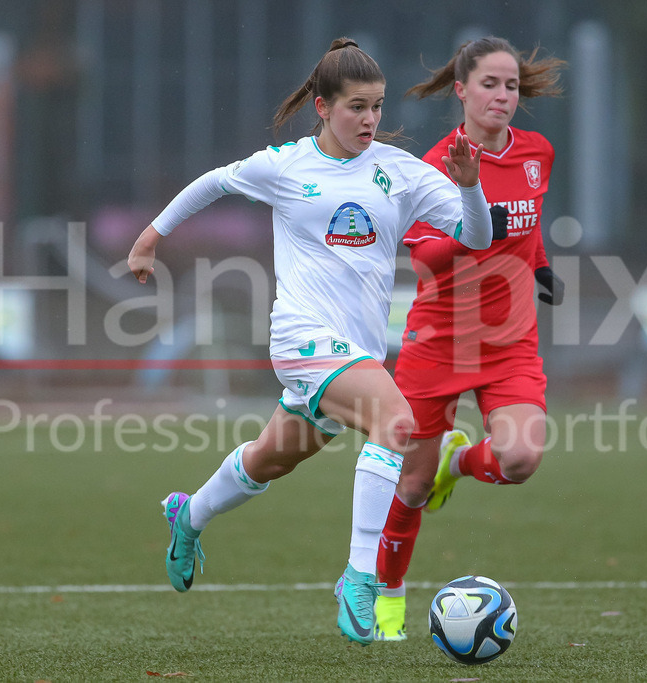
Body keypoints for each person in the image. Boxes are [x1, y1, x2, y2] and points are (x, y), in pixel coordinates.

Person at [126, 38, 494, 646]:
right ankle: (359, 576)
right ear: (322, 107)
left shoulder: (400, 173)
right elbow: (215, 182)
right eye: (356, 106)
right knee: (396, 423)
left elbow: (475, 236)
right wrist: (149, 237)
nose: (369, 119)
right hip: (300, 337)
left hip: (356, 353)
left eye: (376, 106)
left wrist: (472, 186)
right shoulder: (286, 165)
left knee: (271, 458)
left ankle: (187, 515)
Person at [373, 36, 566, 641]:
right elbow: (426, 257)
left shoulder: (538, 152)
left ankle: (461, 459)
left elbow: (527, 223)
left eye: (511, 86)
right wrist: (480, 227)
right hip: (439, 341)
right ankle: (387, 601)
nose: (502, 96)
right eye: (490, 84)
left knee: (521, 458)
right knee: (409, 485)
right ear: (461, 91)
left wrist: (538, 265)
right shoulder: (433, 166)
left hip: (510, 342)